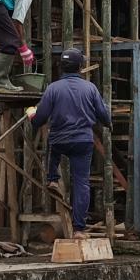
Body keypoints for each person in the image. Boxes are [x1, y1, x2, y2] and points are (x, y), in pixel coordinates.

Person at [29, 48, 112, 239]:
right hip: (83, 140)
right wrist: (108, 124)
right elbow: (103, 115)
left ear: (61, 67)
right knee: (82, 182)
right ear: (81, 67)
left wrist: (31, 114)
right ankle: (79, 229)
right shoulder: (90, 88)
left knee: (53, 145)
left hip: (59, 139)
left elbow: (39, 118)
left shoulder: (53, 88)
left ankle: (51, 178)